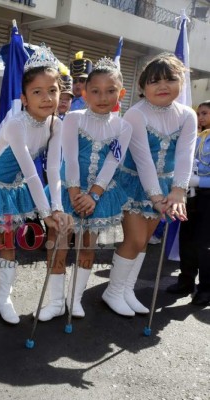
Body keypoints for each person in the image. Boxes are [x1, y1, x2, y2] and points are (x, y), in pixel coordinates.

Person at [0, 45, 73, 329]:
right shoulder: (15, 125)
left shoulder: (56, 124)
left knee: (10, 246)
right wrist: (45, 212)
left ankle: (4, 299)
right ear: (24, 98)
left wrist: (57, 207)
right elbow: (31, 172)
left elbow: (53, 169)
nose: (47, 98)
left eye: (52, 90)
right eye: (37, 92)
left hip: (15, 190)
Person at [37, 57, 132, 321]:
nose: (103, 97)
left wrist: (93, 195)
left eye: (110, 91)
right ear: (84, 92)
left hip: (98, 196)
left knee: (87, 247)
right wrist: (75, 194)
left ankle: (74, 299)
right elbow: (69, 155)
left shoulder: (124, 127)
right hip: (70, 190)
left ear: (120, 93)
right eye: (95, 91)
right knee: (58, 245)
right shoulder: (74, 119)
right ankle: (56, 301)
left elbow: (113, 162)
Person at [102, 53, 197, 316]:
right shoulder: (136, 113)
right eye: (154, 81)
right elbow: (143, 159)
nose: (162, 85)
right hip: (134, 183)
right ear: (143, 88)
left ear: (181, 83)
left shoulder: (188, 115)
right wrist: (157, 197)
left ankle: (126, 289)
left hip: (166, 187)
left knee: (144, 241)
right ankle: (113, 291)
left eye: (170, 79)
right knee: (135, 238)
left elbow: (184, 155)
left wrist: (178, 192)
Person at [167, 100, 210, 306]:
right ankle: (185, 280)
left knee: (205, 245)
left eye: (205, 113)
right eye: (199, 113)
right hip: (190, 195)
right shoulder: (196, 137)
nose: (200, 117)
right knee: (187, 239)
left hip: (208, 197)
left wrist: (199, 181)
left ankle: (206, 289)